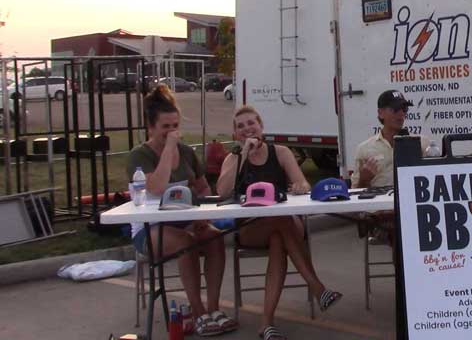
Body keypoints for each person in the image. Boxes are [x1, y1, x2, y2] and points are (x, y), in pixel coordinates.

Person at [216, 105, 342, 340]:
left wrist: (299, 187)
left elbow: (303, 184)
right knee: (279, 224)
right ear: (235, 134)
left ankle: (267, 324)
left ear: (261, 126)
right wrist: (242, 155)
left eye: (251, 123)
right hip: (251, 227)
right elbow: (222, 191)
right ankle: (317, 288)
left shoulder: (281, 152)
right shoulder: (233, 158)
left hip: (283, 224)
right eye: (240, 126)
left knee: (278, 235)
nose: (247, 129)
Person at [126, 84, 237, 336]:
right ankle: (197, 312)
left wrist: (203, 215)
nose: (172, 132)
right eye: (165, 127)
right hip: (150, 227)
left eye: (175, 126)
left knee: (213, 237)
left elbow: (202, 188)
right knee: (185, 243)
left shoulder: (187, 153)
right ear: (151, 127)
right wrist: (167, 149)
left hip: (184, 220)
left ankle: (213, 308)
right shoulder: (139, 156)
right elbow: (155, 187)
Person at [351, 90, 429, 247]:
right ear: (381, 113)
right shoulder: (365, 149)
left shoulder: (420, 143)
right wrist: (364, 179)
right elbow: (355, 194)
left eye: (404, 110)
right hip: (381, 215)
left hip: (412, 208)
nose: (401, 115)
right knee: (402, 232)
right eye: (395, 110)